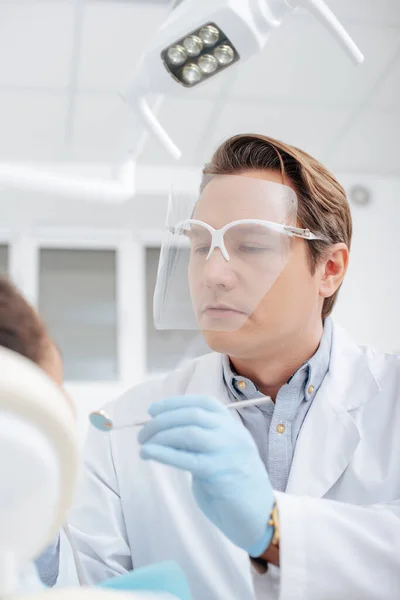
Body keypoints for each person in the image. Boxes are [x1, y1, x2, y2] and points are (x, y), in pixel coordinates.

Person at [38, 134, 400, 599]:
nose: (212, 273)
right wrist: (35, 538)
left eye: (249, 245)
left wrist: (275, 528)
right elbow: (88, 587)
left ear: (329, 269)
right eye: (200, 245)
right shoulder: (125, 426)